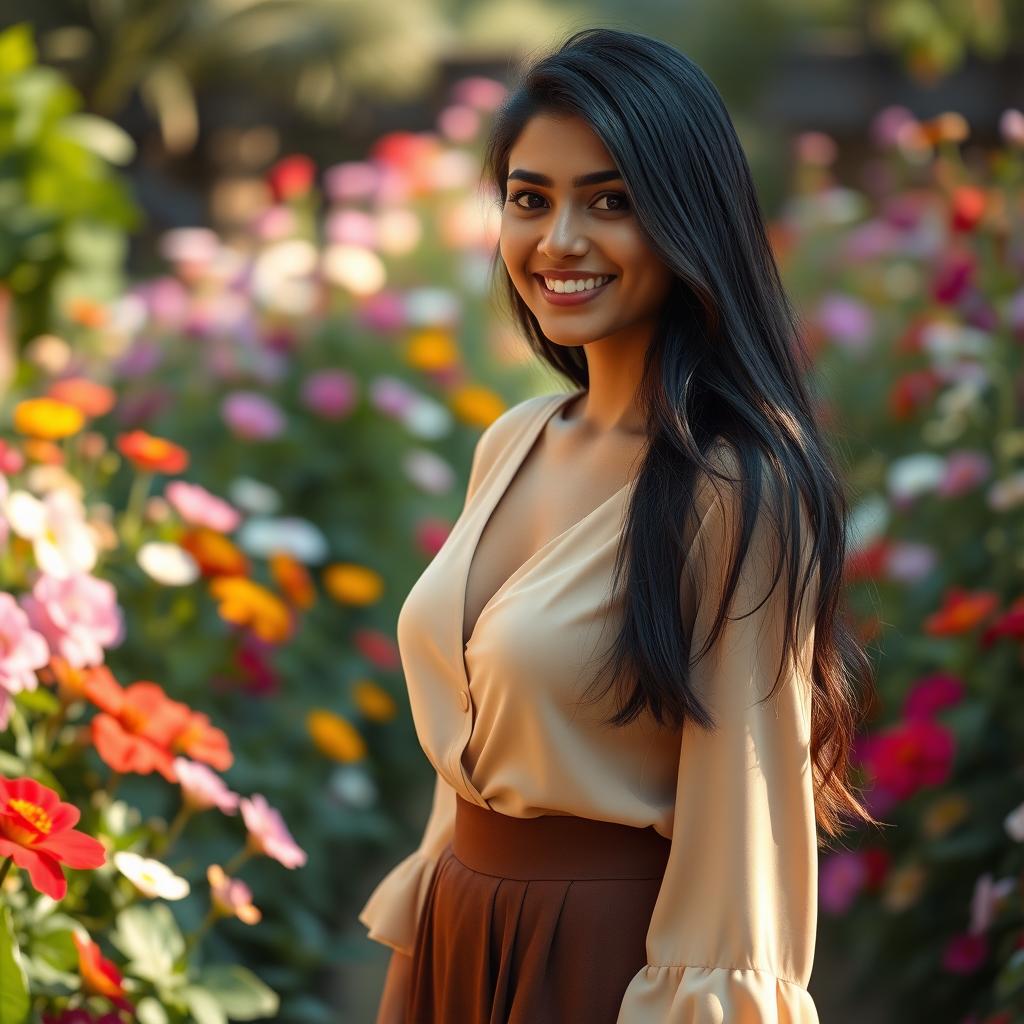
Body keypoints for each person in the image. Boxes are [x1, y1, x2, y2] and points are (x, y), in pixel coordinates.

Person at [360, 26, 881, 1023]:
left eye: (610, 201)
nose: (558, 240)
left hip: (600, 966)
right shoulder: (512, 442)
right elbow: (467, 773)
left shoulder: (739, 490)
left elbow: (742, 850)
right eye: (530, 199)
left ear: (688, 220)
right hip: (459, 937)